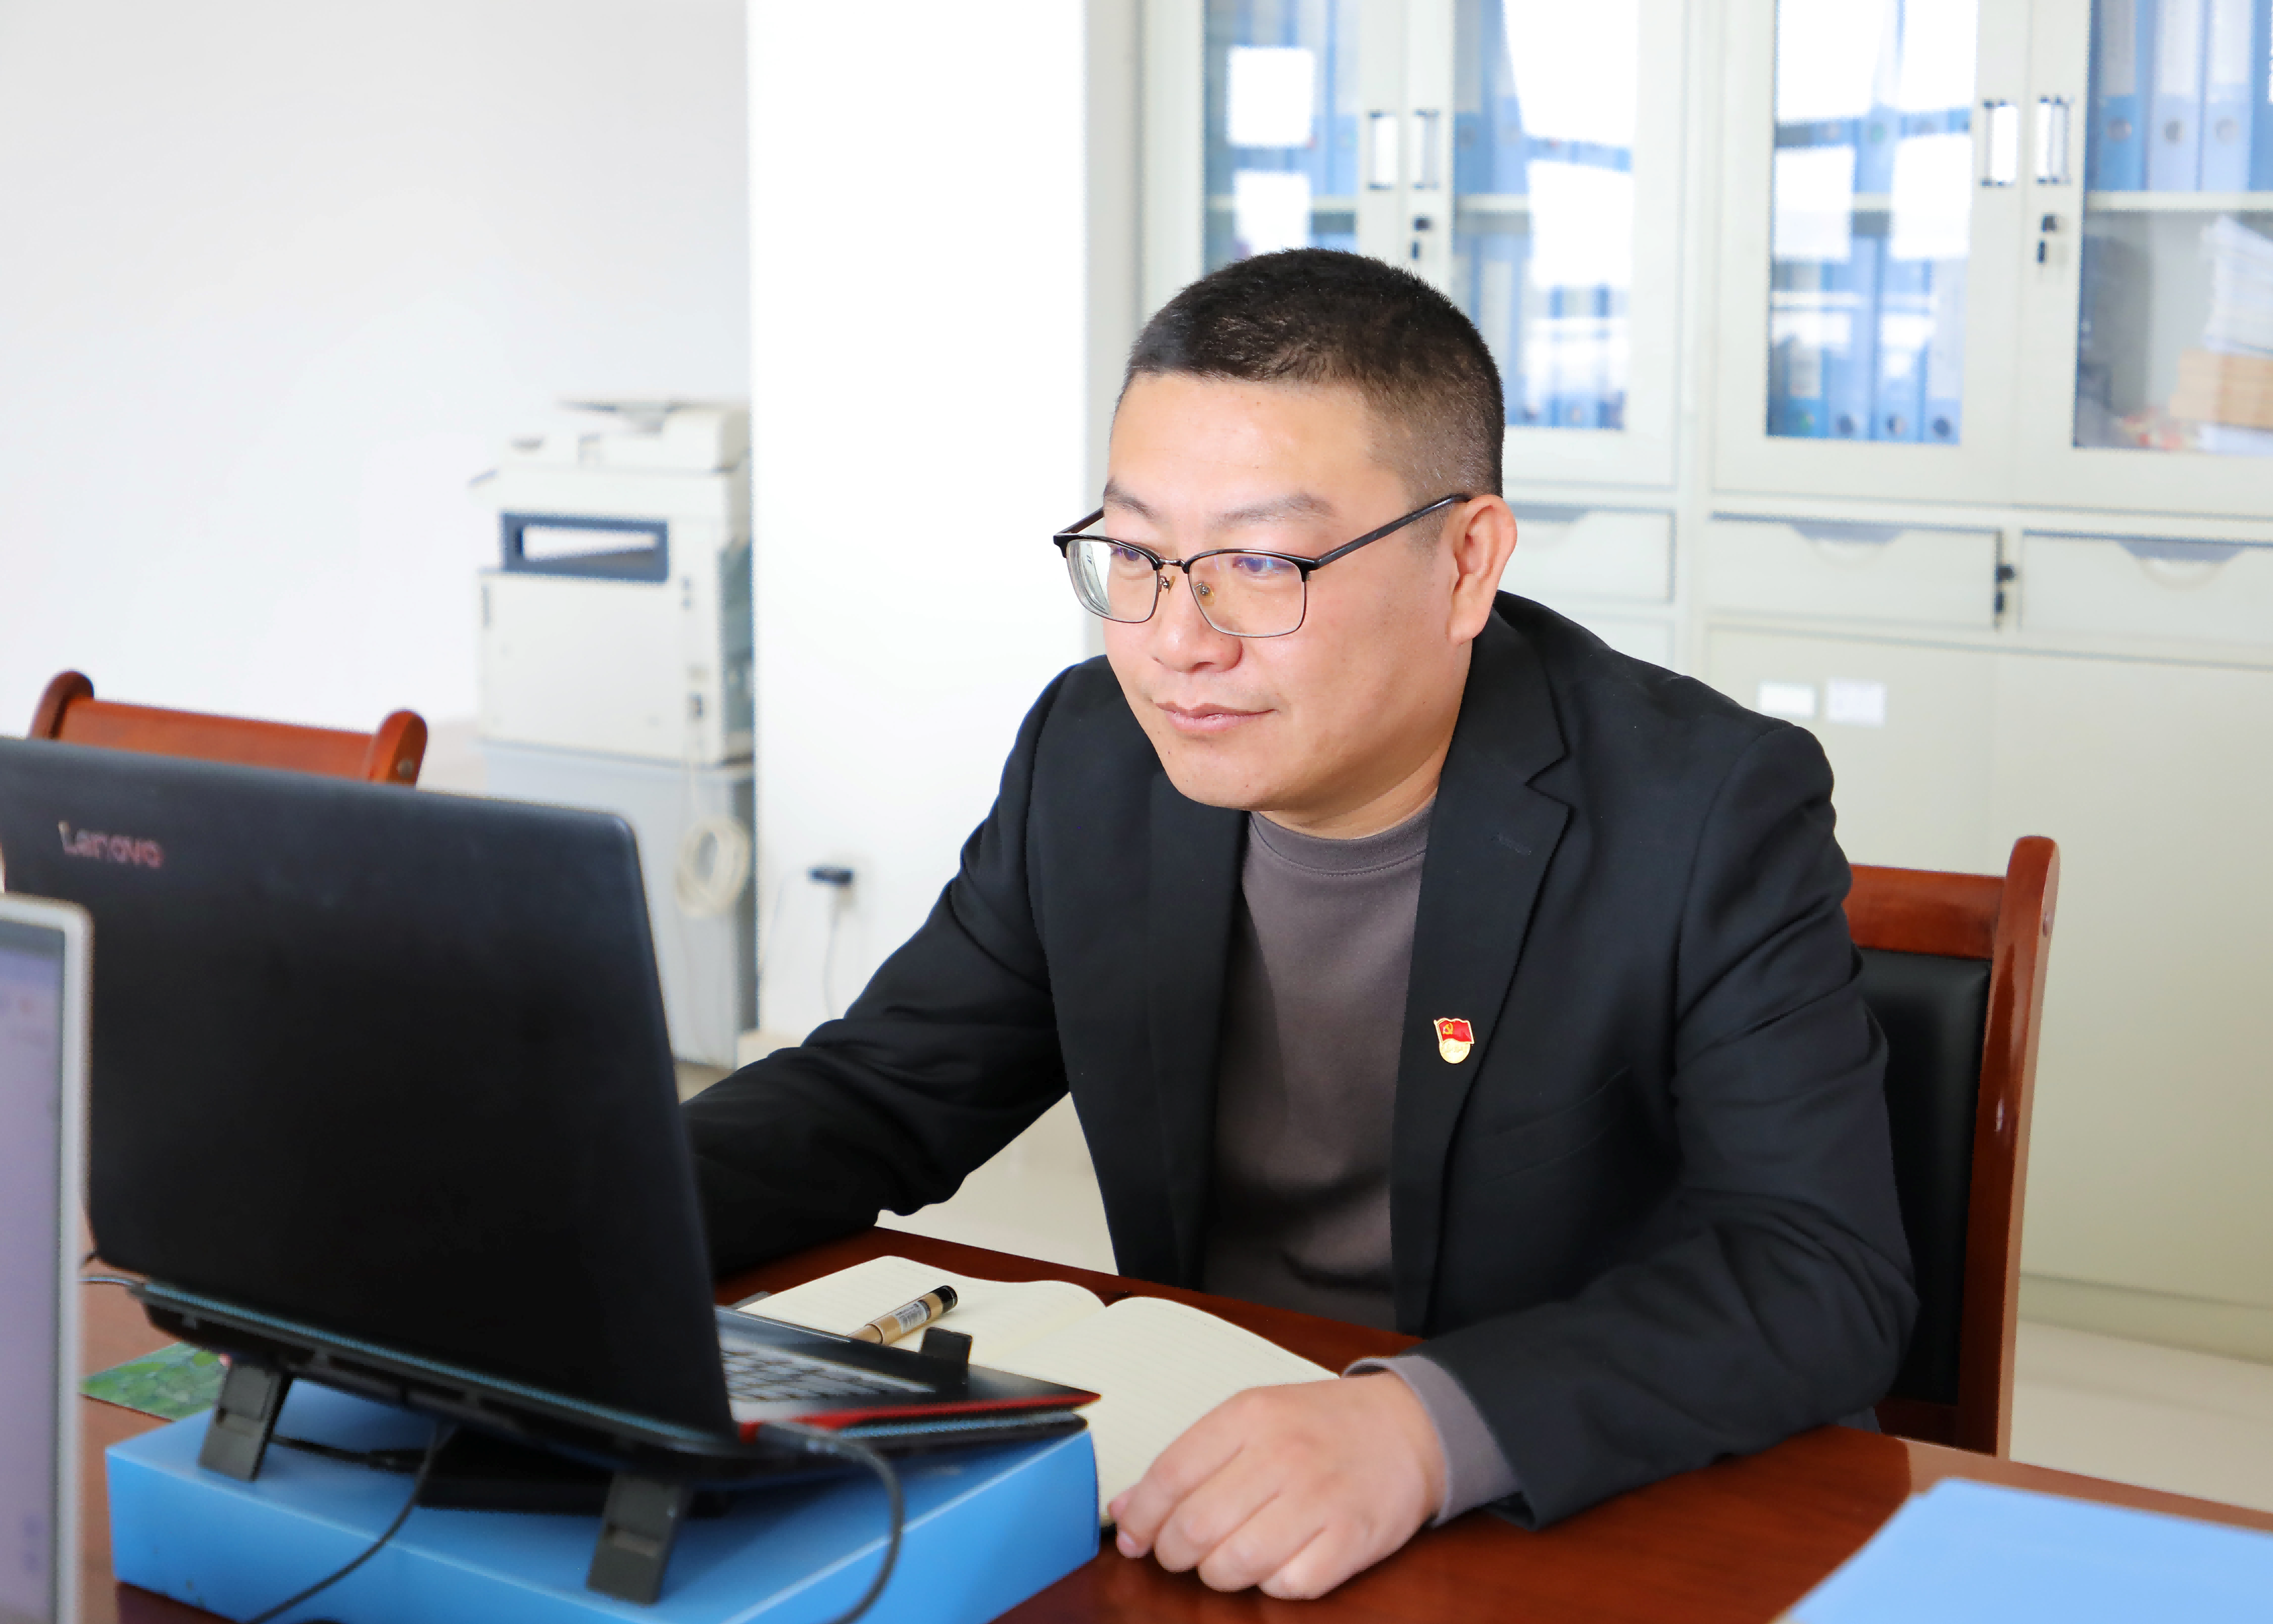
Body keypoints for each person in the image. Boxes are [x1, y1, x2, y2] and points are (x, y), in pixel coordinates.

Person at [683, 249, 1915, 1599]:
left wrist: (1427, 1429)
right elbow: (880, 1091)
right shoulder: (1092, 754)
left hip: (1569, 1506)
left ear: (1466, 563)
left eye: (1262, 563)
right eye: (1136, 554)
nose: (1178, 640)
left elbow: (1819, 1272)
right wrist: (588, 1219)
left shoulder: (1703, 806)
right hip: (1210, 1485)